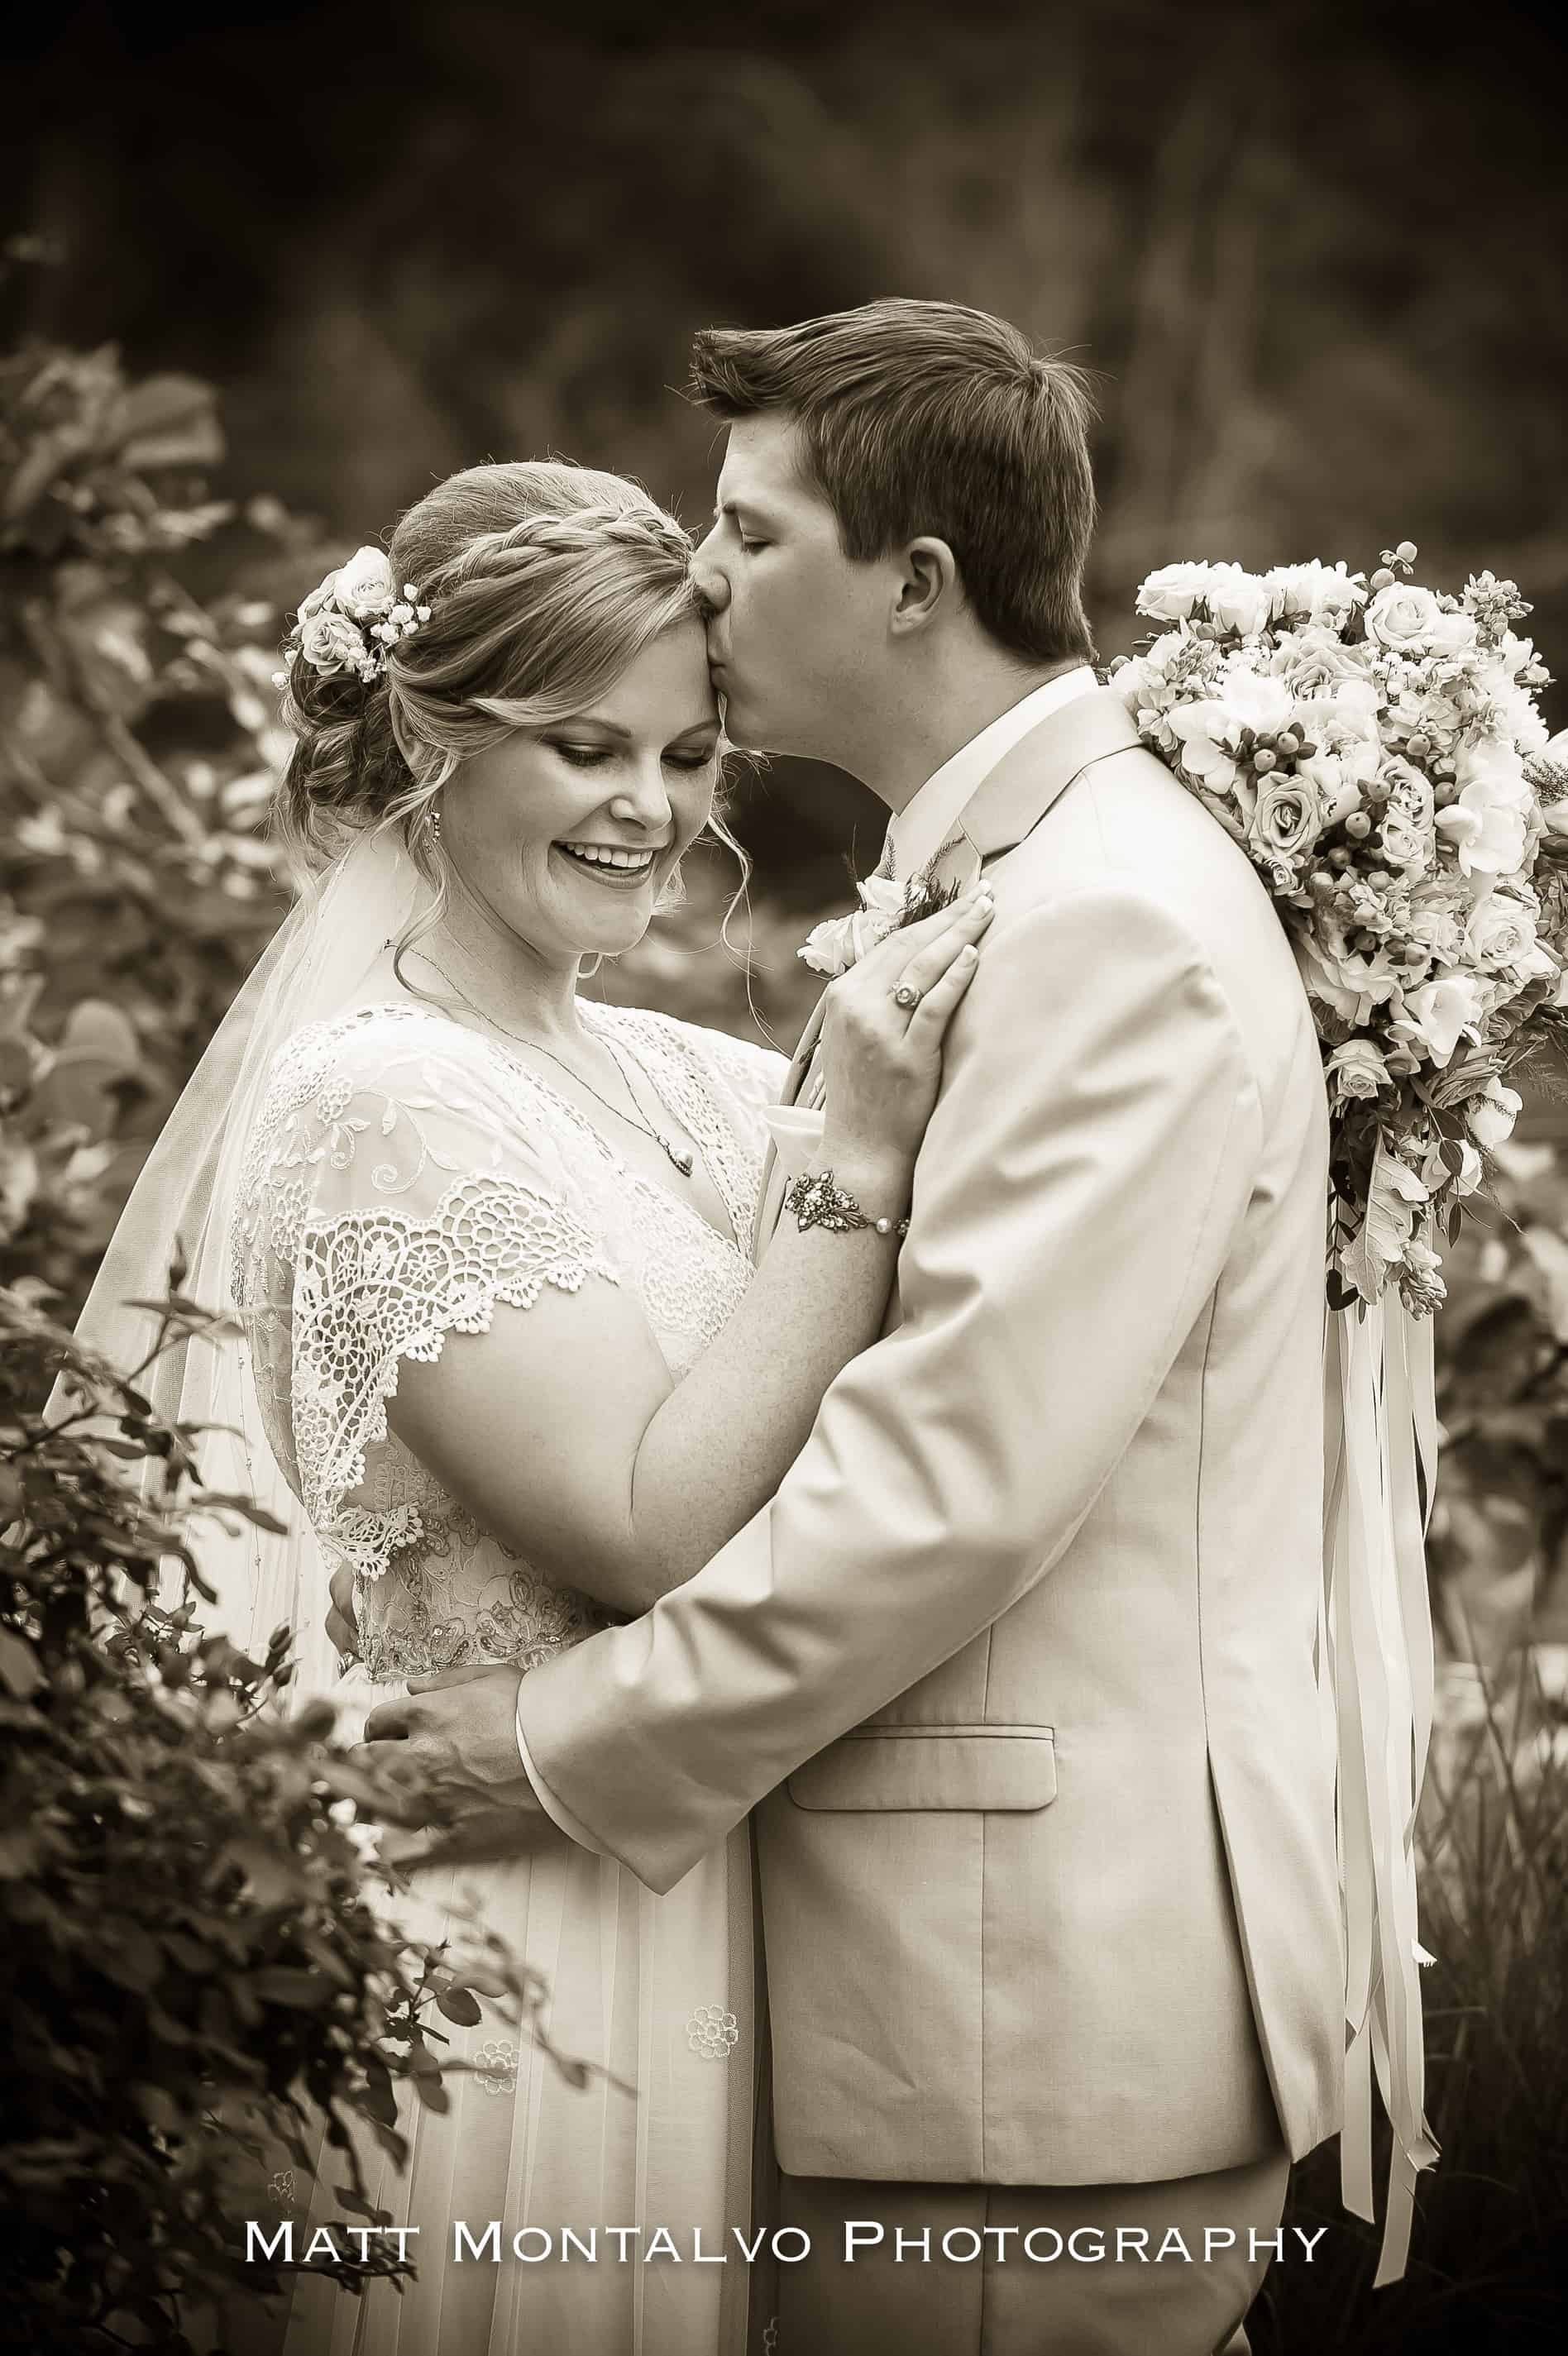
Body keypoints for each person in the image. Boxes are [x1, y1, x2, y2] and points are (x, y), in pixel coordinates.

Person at [369, 303, 1347, 2356]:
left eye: (749, 531)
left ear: (914, 581)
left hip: (1016, 2017)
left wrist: (559, 1748)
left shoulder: (1107, 923)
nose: (701, 575)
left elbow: (949, 1488)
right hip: (956, 2012)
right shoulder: (1025, 874)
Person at [72, 456, 989, 2356]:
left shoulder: (684, 1076)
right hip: (506, 1950)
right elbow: (648, 1531)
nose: (650, 806)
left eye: (684, 753)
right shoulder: (381, 1099)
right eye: (586, 748)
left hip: (695, 1892)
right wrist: (855, 1169)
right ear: (429, 739)